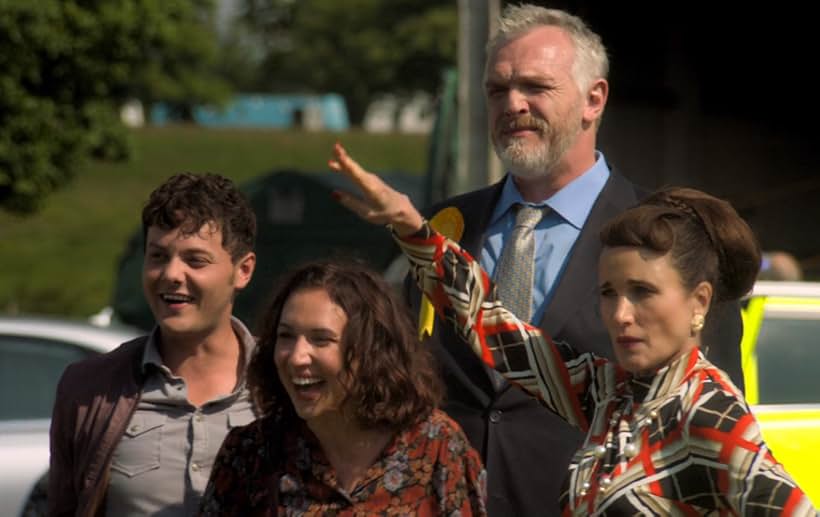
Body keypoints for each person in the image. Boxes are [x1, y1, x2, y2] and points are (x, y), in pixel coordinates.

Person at [329, 146, 815, 515]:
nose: (621, 314)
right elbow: (498, 333)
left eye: (643, 292)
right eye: (608, 293)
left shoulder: (708, 413)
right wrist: (414, 228)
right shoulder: (612, 392)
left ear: (700, 302)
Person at [405, 3, 745, 514]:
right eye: (497, 90)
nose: (512, 104)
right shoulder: (439, 231)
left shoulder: (674, 238)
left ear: (594, 99)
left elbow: (713, 429)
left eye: (535, 87)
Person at [198, 260, 487, 516]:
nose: (297, 356)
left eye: (321, 339)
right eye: (285, 336)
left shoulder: (436, 445)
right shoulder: (250, 454)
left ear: (370, 352)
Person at [49, 173, 258, 516]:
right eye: (158, 256)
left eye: (195, 260)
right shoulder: (90, 390)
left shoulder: (286, 382)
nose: (172, 274)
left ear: (243, 270)